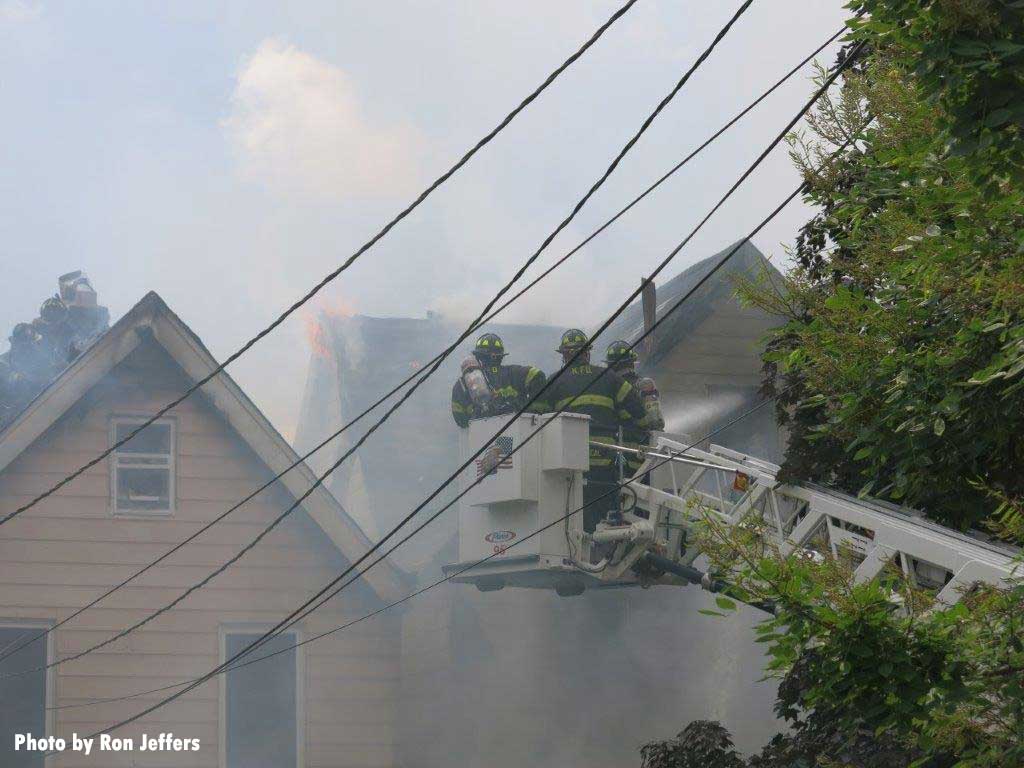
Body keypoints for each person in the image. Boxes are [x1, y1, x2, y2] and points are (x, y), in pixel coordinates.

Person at [545, 329, 647, 530]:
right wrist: (645, 429)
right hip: (604, 459)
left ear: (564, 355)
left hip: (568, 462)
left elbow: (539, 417)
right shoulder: (608, 377)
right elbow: (636, 409)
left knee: (571, 513)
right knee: (605, 510)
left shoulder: (554, 381)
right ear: (587, 353)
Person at [450, 333, 547, 428]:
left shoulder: (463, 383)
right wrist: (528, 409)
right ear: (501, 356)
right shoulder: (514, 373)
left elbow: (460, 420)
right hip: (516, 432)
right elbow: (538, 376)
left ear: (478, 356)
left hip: (482, 437)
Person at [604, 340, 665, 479]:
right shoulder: (645, 385)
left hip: (615, 458)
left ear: (611, 365)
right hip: (644, 457)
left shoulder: (608, 388)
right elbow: (657, 424)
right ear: (632, 363)